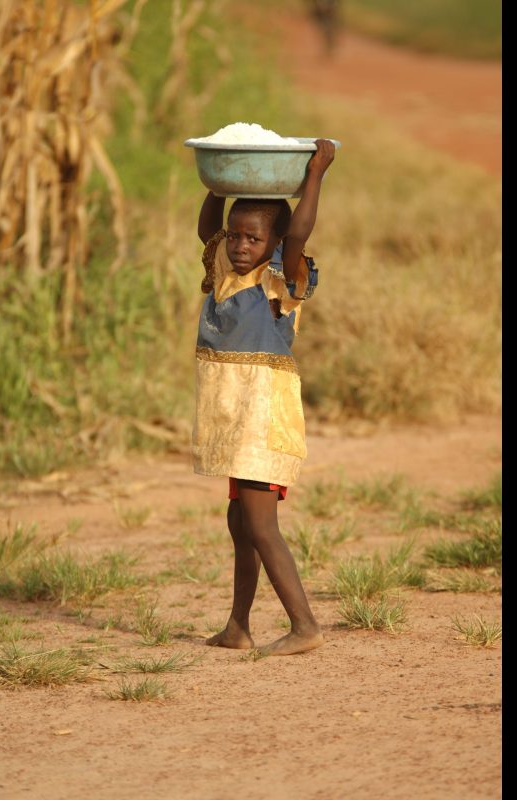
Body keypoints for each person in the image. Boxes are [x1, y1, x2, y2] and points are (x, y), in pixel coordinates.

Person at [192, 138, 336, 656]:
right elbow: (208, 227)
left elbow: (299, 231)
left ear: (274, 244)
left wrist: (315, 173)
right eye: (236, 235)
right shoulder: (225, 274)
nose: (239, 244)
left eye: (253, 238)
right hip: (233, 421)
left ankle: (305, 627)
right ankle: (238, 626)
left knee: (259, 522)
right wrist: (219, 180)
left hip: (262, 420)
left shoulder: (281, 281)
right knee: (238, 520)